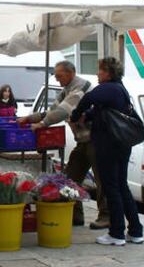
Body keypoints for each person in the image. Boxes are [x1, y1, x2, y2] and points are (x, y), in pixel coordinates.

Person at [17, 60, 109, 228]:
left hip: (96, 139)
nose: (57, 80)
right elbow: (52, 111)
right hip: (82, 141)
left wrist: (41, 124)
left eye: (60, 76)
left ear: (70, 73)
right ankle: (75, 215)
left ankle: (106, 216)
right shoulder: (66, 89)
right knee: (70, 177)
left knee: (101, 178)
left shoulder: (80, 87)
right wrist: (29, 118)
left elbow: (63, 112)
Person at [70, 57, 143, 245]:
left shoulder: (109, 88)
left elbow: (88, 98)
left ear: (109, 73)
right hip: (121, 145)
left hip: (109, 145)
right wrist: (88, 115)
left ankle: (117, 233)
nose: (97, 73)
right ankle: (135, 231)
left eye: (100, 70)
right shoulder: (119, 89)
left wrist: (77, 115)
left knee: (111, 188)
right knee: (121, 186)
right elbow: (104, 110)